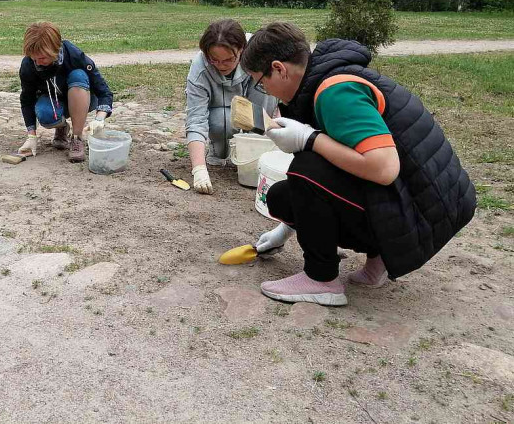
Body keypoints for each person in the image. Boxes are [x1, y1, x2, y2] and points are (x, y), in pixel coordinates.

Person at [239, 22, 476, 306]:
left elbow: (384, 169)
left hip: (425, 217)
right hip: (425, 205)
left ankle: (321, 278)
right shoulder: (324, 79)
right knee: (281, 197)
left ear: (279, 68)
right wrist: (286, 229)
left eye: (260, 81)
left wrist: (308, 138)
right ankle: (378, 258)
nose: (264, 89)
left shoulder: (335, 92)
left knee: (306, 166)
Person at [185, 19, 277, 194]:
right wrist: (198, 169)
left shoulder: (258, 52)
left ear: (241, 50)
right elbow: (196, 120)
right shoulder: (199, 69)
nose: (220, 66)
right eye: (214, 60)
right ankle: (220, 152)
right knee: (221, 120)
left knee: (265, 96)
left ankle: (254, 157)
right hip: (221, 112)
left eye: (228, 60)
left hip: (255, 96)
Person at [18, 22, 113, 163]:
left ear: (54, 51)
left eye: (42, 58)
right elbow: (27, 99)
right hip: (53, 102)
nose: (37, 63)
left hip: (82, 97)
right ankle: (62, 128)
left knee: (79, 75)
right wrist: (31, 135)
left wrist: (100, 118)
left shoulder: (74, 55)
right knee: (44, 114)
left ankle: (77, 138)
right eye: (34, 58)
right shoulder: (28, 65)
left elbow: (104, 90)